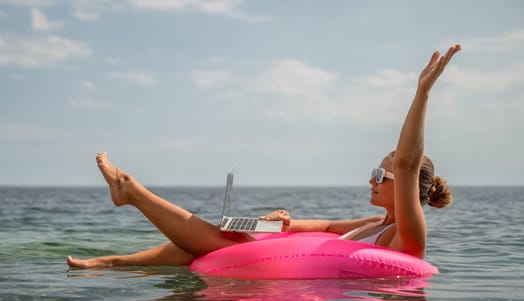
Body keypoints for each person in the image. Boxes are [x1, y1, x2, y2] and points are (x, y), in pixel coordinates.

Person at [67, 44, 461, 269]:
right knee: (218, 240)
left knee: (214, 242)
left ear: (407, 190)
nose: (372, 178)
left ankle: (131, 192)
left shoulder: (410, 236)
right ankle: (112, 262)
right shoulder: (374, 221)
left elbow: (408, 164)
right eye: (376, 170)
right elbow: (322, 225)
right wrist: (280, 223)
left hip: (314, 287)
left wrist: (422, 92)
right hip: (298, 268)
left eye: (382, 174)